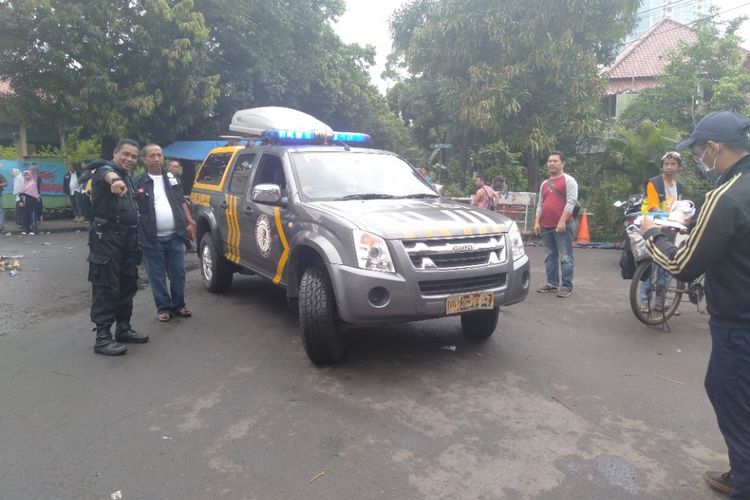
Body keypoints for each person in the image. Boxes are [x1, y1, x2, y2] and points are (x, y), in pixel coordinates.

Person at [641, 111, 750, 498]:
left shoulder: (727, 194)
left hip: (738, 325)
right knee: (721, 389)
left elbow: (683, 267)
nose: (698, 157)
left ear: (715, 148)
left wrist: (653, 235)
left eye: (700, 150)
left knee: (737, 411)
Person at [87, 139, 149, 356]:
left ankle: (123, 328)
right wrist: (113, 181)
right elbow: (105, 172)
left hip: (128, 239)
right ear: (115, 153)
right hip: (107, 240)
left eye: (133, 156)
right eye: (125, 154)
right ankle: (102, 338)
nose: (129, 159)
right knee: (106, 287)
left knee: (127, 284)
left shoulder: (128, 177)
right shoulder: (105, 172)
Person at [135, 144, 196, 322]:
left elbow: (181, 201)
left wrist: (189, 221)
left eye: (159, 155)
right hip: (151, 238)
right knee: (157, 276)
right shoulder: (138, 181)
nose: (156, 159)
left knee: (178, 273)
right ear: (144, 159)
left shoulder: (172, 178)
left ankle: (179, 305)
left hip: (176, 235)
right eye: (152, 156)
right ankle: (163, 308)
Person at [638, 151, 686, 313]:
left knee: (667, 266)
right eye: (666, 164)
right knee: (650, 265)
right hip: (653, 226)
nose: (669, 167)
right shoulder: (653, 183)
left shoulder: (679, 186)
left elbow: (680, 206)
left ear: (678, 167)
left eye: (673, 164)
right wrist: (671, 217)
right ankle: (644, 301)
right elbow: (653, 206)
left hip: (671, 228)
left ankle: (660, 301)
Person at [533, 151, 578, 298]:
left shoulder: (569, 181)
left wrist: (562, 220)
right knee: (550, 256)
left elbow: (571, 201)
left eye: (555, 161)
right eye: (549, 161)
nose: (551, 163)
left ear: (562, 163)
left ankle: (566, 286)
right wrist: (536, 222)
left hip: (562, 226)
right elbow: (541, 203)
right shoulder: (545, 184)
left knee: (565, 257)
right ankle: (552, 284)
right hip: (546, 225)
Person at [18, 166, 40, 235]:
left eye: (28, 174)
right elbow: (21, 193)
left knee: (32, 215)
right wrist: (21, 201)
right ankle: (25, 229)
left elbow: (32, 193)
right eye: (25, 175)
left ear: (31, 175)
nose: (26, 176)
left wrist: (23, 194)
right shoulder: (23, 183)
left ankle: (34, 230)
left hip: (31, 201)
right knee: (24, 215)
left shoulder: (33, 183)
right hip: (24, 201)